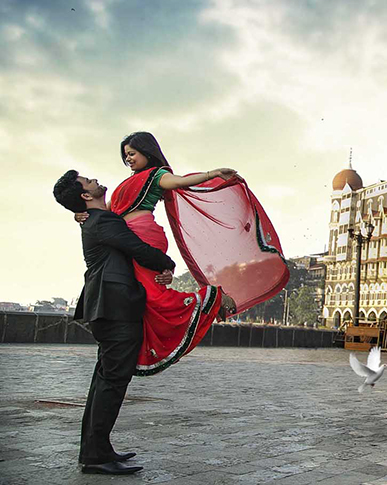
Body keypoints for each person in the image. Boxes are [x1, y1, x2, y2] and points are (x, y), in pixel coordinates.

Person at [77, 131, 289, 375]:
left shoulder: (157, 175)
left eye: (133, 154)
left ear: (147, 151)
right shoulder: (125, 184)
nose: (129, 160)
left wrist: (212, 174)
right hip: (128, 237)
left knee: (154, 294)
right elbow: (108, 212)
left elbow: (179, 182)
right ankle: (138, 343)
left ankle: (213, 299)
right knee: (146, 293)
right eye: (126, 156)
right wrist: (81, 213)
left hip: (143, 235)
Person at [54, 170, 175, 474]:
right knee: (112, 382)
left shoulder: (96, 219)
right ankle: (96, 457)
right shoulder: (103, 221)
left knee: (104, 381)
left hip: (106, 308)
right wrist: (168, 263)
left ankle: (96, 449)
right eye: (86, 180)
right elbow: (137, 248)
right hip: (116, 308)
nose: (93, 179)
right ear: (85, 195)